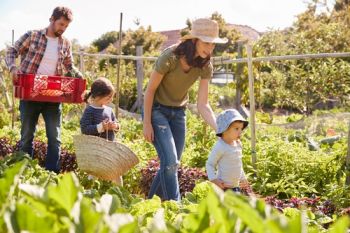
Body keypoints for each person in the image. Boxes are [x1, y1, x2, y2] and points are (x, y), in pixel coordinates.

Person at [143, 18, 227, 201]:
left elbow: (203, 105)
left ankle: (148, 205)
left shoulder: (205, 66)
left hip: (178, 113)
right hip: (157, 110)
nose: (210, 48)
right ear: (194, 40)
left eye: (213, 44)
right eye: (206, 43)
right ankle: (177, 207)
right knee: (171, 162)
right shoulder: (170, 57)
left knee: (171, 163)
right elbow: (149, 91)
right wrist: (147, 123)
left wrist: (220, 130)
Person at [5, 6, 82, 173]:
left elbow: (69, 66)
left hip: (53, 97)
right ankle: (24, 173)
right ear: (52, 20)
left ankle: (51, 176)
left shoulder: (65, 43)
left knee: (55, 139)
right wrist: (12, 68)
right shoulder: (32, 36)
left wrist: (80, 76)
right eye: (61, 24)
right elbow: (11, 51)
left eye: (66, 26)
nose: (63, 28)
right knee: (27, 137)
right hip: (30, 94)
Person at [206, 109, 252, 194]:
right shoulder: (220, 146)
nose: (240, 131)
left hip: (235, 187)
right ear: (225, 129)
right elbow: (210, 164)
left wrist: (243, 177)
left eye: (241, 128)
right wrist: (214, 180)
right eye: (236, 128)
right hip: (222, 187)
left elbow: (238, 164)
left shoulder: (238, 144)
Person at [80, 77, 120, 141]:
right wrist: (102, 127)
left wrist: (115, 126)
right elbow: (85, 129)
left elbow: (116, 122)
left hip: (108, 147)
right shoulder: (90, 110)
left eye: (112, 97)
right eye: (109, 97)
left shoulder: (110, 110)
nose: (111, 100)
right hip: (94, 147)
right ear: (98, 96)